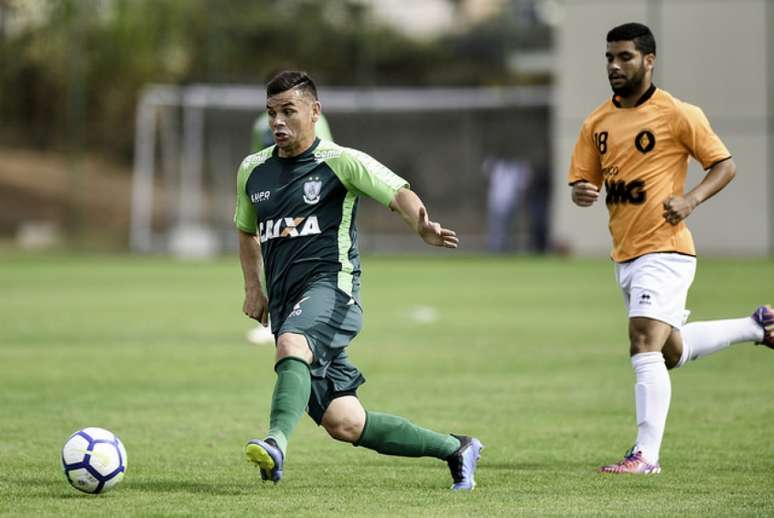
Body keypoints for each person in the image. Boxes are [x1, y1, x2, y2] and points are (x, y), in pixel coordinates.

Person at [234, 70, 483, 490]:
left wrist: (420, 225)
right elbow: (245, 229)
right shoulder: (252, 171)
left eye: (288, 111)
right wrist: (253, 287)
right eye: (271, 112)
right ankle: (456, 448)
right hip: (286, 305)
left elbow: (396, 191)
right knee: (345, 422)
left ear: (315, 112)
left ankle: (275, 444)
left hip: (333, 292)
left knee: (291, 343)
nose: (277, 122)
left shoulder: (341, 161)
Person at [568, 22, 773, 474]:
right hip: (625, 253)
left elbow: (725, 165)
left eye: (624, 57)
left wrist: (691, 199)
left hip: (667, 249)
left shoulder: (678, 113)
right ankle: (756, 327)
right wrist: (582, 191)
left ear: (649, 60)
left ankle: (646, 455)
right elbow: (586, 180)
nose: (614, 66)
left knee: (641, 339)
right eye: (609, 57)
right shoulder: (596, 122)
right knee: (668, 350)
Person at [245, 110, 333, 346]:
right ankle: (276, 320)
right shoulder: (259, 124)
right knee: (273, 255)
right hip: (274, 197)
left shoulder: (316, 120)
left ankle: (313, 316)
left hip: (304, 198)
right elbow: (258, 157)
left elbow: (325, 156)